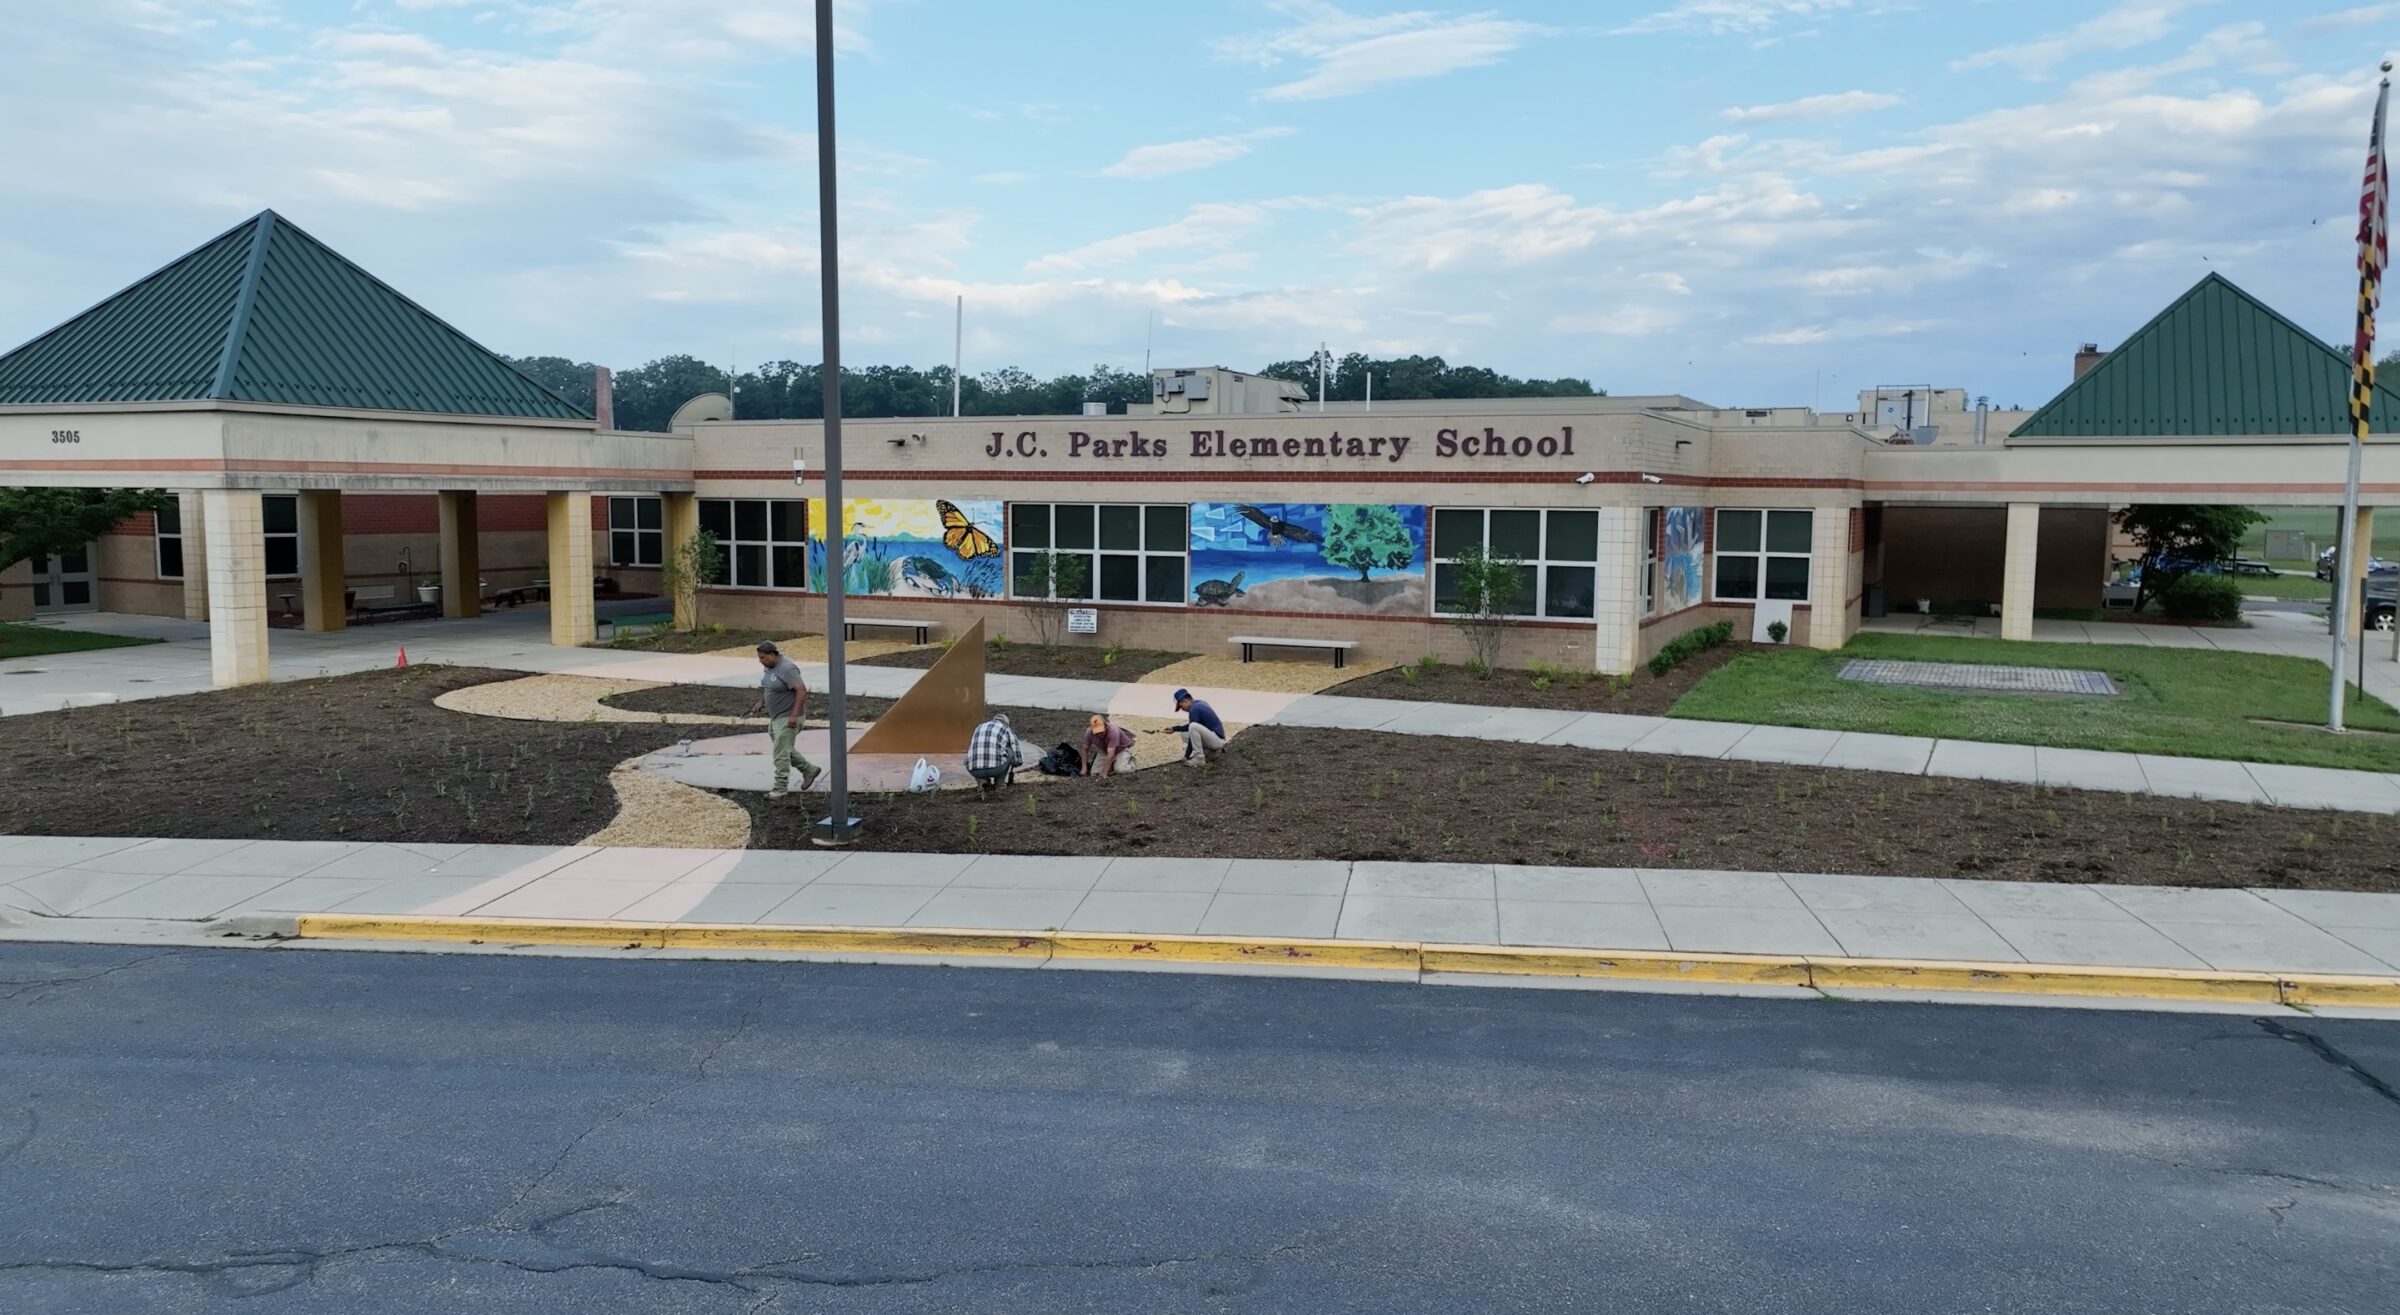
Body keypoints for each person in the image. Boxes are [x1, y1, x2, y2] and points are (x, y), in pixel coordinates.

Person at [747, 641, 821, 799]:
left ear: (774, 654)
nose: (761, 661)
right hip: (776, 717)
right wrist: (762, 702)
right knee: (784, 748)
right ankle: (809, 770)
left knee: (780, 753)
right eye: (759, 658)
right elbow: (769, 687)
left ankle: (780, 788)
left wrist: (794, 715)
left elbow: (801, 691)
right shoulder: (770, 667)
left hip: (789, 716)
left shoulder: (787, 668)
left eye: (763, 658)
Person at [965, 711, 1022, 790]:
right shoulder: (1006, 728)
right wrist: (1015, 764)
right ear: (1006, 723)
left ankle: (982, 782)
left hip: (975, 770)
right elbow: (1015, 751)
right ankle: (999, 783)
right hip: (996, 769)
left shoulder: (979, 727)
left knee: (971, 756)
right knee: (1010, 751)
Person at [1171, 688, 1227, 764]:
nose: (1182, 710)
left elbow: (1193, 728)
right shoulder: (1199, 703)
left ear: (1185, 701)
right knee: (1184, 732)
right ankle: (1206, 752)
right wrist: (1175, 729)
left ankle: (1199, 758)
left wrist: (1186, 756)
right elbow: (1193, 726)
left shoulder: (1194, 710)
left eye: (1181, 707)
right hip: (1215, 739)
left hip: (1217, 742)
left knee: (1193, 727)